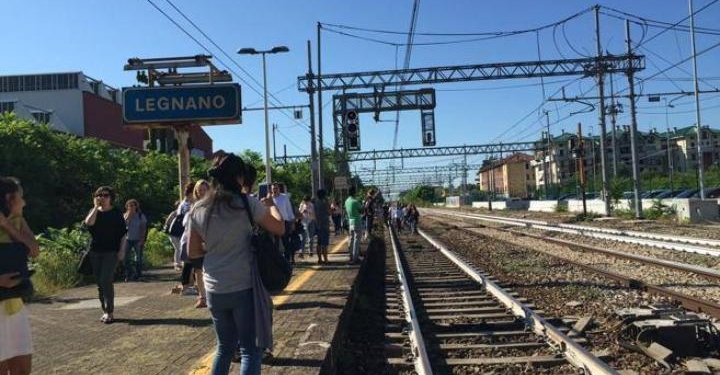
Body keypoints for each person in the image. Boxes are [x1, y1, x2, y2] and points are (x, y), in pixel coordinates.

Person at [188, 152, 284, 375]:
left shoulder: (198, 208)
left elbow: (192, 251)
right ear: (239, 178)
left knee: (224, 347)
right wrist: (271, 206)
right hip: (243, 285)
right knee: (250, 350)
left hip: (214, 288)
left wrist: (215, 246)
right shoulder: (247, 204)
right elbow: (279, 228)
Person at [0, 177, 39, 375]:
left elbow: (33, 250)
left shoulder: (18, 220)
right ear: (9, 198)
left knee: (22, 368)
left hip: (14, 306)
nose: (24, 203)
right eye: (21, 198)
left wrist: (7, 225)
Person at [84, 186, 127, 325]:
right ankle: (105, 310)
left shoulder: (116, 213)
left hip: (111, 252)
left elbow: (123, 234)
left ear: (111, 197)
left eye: (105, 195)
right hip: (95, 251)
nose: (102, 197)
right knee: (99, 283)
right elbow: (88, 223)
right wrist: (96, 208)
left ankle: (110, 311)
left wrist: (122, 251)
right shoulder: (94, 212)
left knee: (106, 280)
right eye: (99, 195)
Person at [183, 180, 210, 308]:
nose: (202, 192)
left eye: (205, 189)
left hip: (212, 242)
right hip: (196, 242)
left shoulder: (213, 205)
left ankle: (211, 295)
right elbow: (188, 225)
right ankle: (202, 297)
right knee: (198, 271)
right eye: (200, 190)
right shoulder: (194, 207)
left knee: (211, 270)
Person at [123, 199, 147, 282]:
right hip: (127, 239)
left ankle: (138, 275)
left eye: (133, 205)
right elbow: (122, 227)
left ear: (136, 206)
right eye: (129, 205)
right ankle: (129, 274)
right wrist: (128, 217)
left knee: (138, 259)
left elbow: (143, 228)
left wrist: (142, 239)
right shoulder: (125, 215)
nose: (131, 207)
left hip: (138, 239)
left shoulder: (140, 215)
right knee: (125, 258)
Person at [271, 183, 294, 257]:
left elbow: (289, 209)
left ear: (279, 189)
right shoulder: (270, 199)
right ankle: (277, 260)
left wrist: (292, 222)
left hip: (284, 222)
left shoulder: (284, 197)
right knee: (275, 243)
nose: (275, 190)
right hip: (274, 223)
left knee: (286, 241)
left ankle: (287, 259)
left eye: (276, 188)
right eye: (273, 188)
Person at [344, 186, 362, 263]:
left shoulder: (346, 201)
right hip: (357, 221)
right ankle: (355, 257)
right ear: (354, 193)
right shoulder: (355, 201)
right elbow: (361, 210)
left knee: (351, 239)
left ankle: (350, 256)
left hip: (350, 221)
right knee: (356, 239)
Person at [314, 189, 330, 264]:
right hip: (324, 224)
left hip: (317, 224)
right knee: (324, 243)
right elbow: (329, 212)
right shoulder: (325, 202)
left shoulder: (315, 202)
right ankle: (326, 260)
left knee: (319, 243)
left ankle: (319, 259)